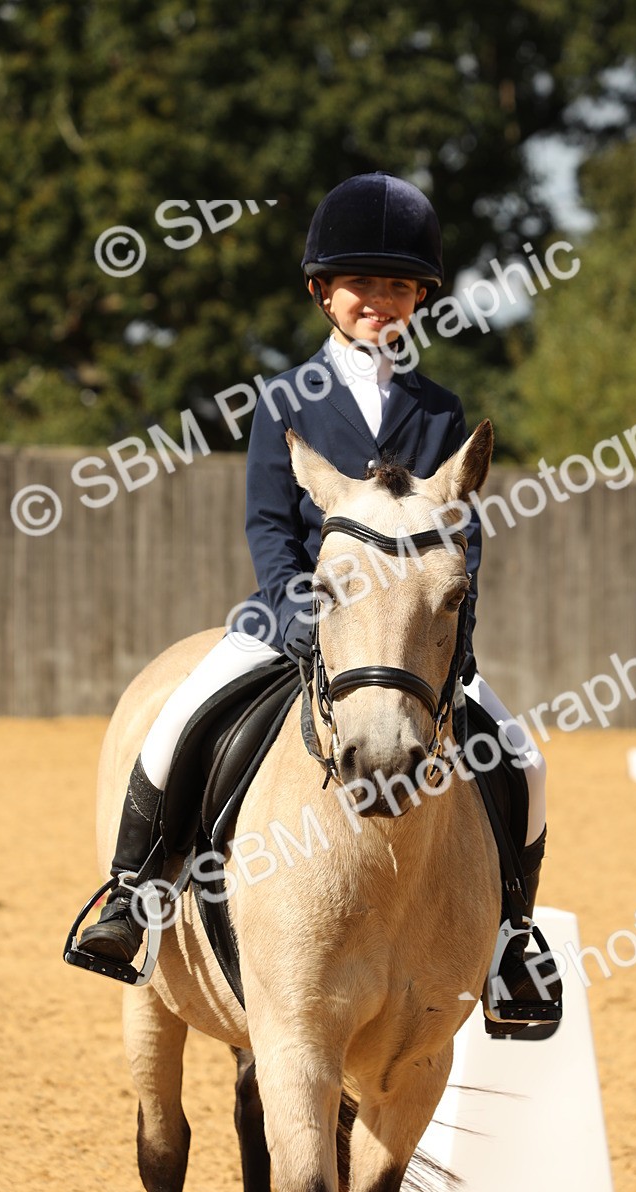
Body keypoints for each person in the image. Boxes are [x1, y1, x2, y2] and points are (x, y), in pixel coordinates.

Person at [76, 172, 551, 1017]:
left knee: (524, 758)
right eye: (362, 284)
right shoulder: (283, 398)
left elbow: (460, 534)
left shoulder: (441, 411)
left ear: (419, 299)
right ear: (324, 292)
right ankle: (132, 894)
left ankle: (514, 935)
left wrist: (454, 630)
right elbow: (268, 525)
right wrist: (302, 620)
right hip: (294, 624)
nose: (381, 300)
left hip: (408, 643)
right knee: (179, 722)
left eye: (399, 286)